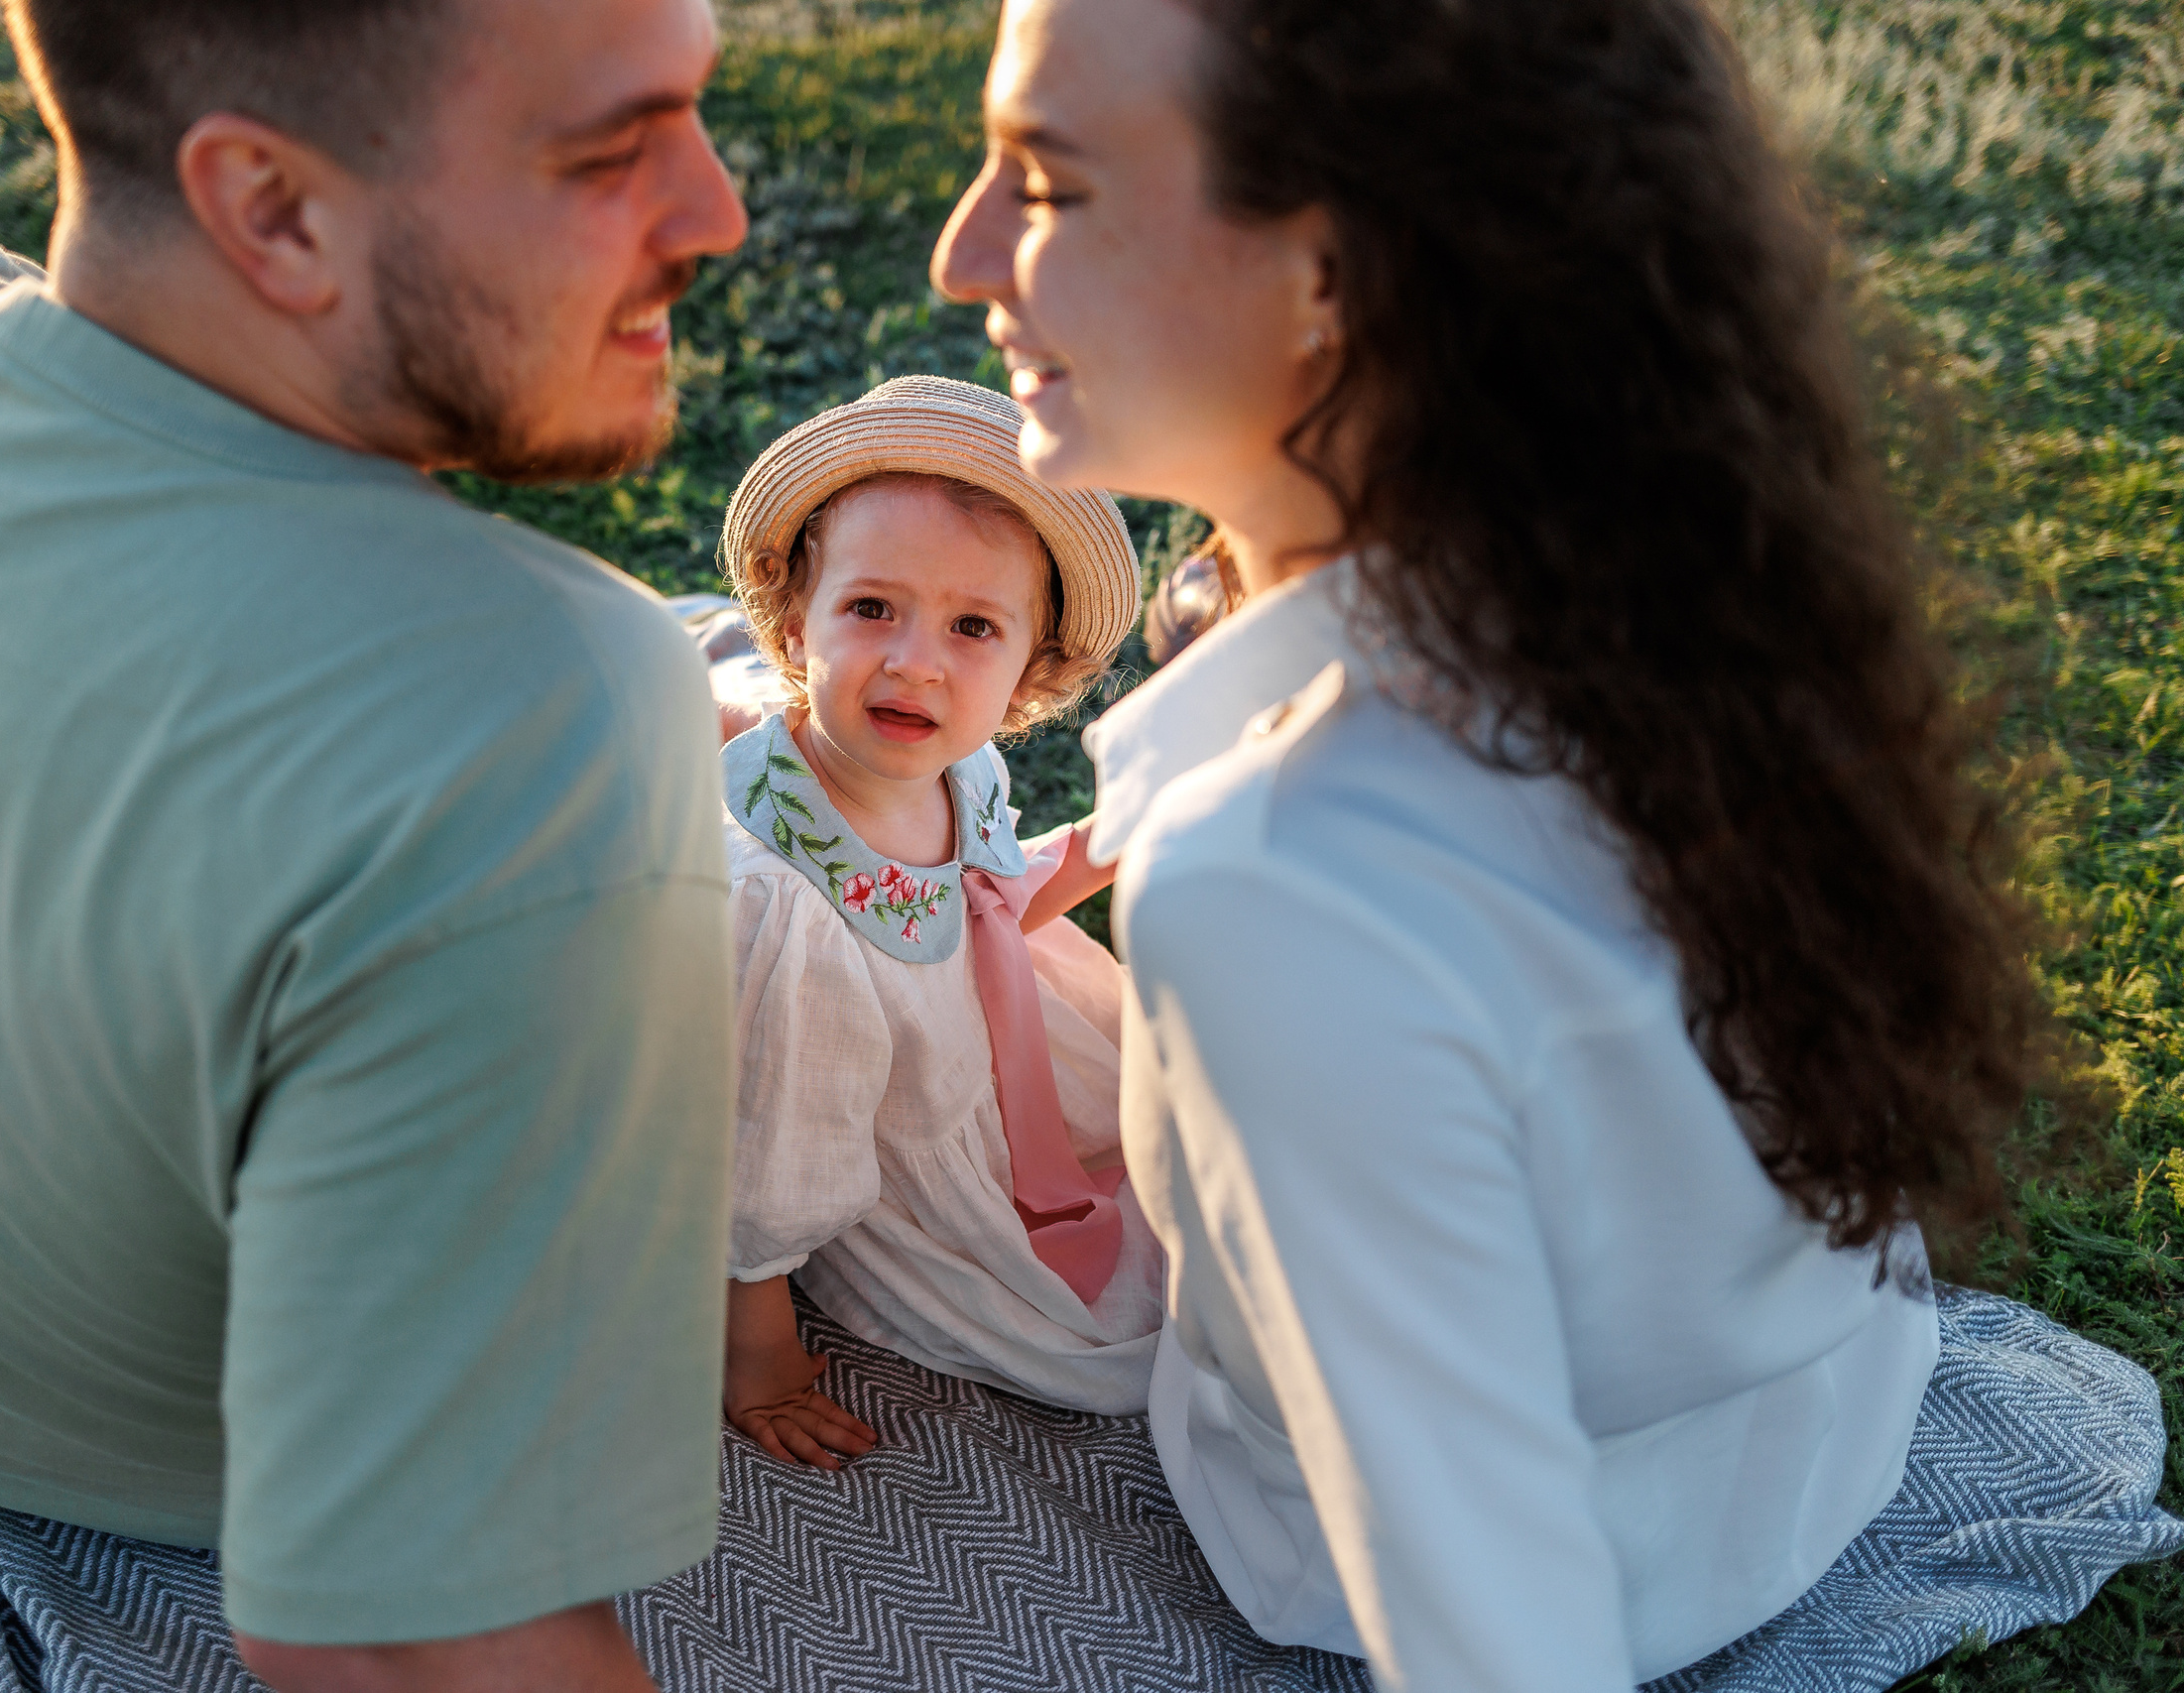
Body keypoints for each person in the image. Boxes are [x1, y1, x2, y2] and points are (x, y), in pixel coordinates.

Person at [932, 0, 2184, 1689]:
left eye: (1051, 182)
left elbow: (1497, 1622)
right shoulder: (1657, 572)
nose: (964, 253)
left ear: (1340, 271)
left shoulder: (1282, 888)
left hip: (1514, 1562)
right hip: (1816, 1443)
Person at [0, 0, 748, 1687]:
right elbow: (399, 1642)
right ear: (277, 210)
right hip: (176, 1502)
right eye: (613, 151)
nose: (715, 211)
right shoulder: (535, 708)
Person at [710, 377, 1159, 1470]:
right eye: (872, 609)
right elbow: (768, 1142)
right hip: (885, 1130)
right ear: (790, 618)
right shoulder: (785, 905)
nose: (916, 660)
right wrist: (759, 1350)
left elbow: (986, 912)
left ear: (1026, 674)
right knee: (1112, 1337)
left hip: (999, 1060)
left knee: (1204, 1172)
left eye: (972, 627)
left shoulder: (961, 766)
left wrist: (1114, 833)